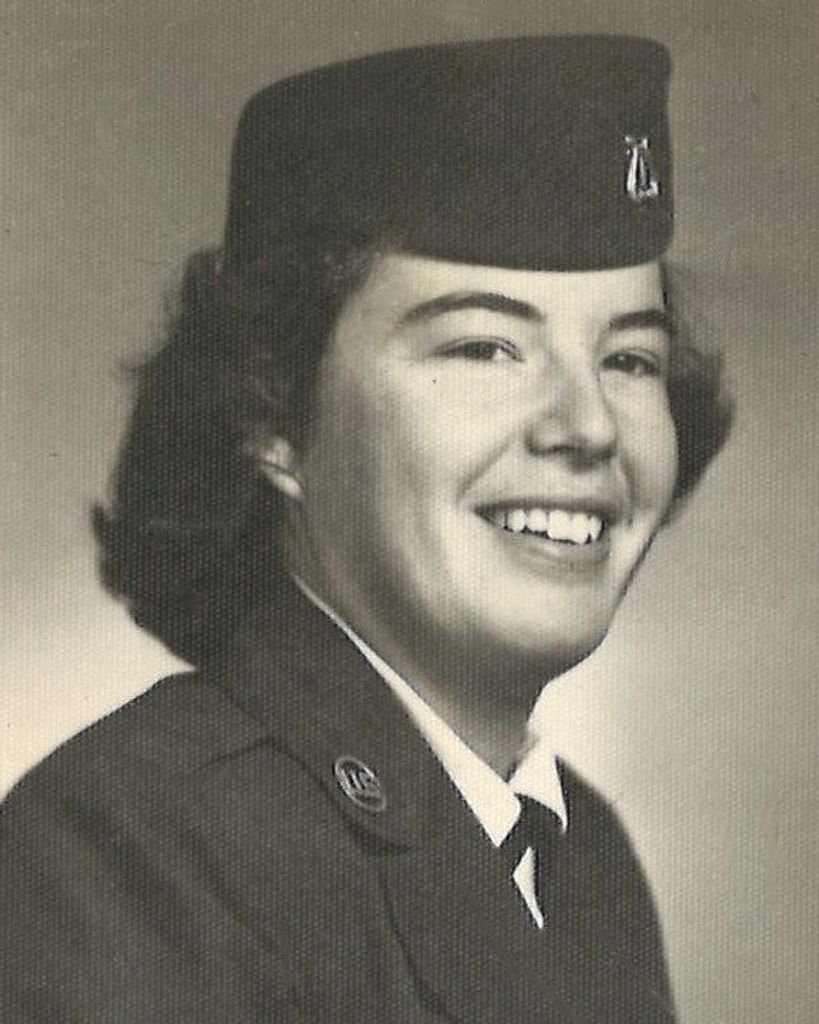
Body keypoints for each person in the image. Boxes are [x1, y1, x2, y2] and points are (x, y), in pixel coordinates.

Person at [0, 35, 732, 1023]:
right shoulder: (132, 849)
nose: (589, 426)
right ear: (274, 417)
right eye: (485, 346)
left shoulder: (583, 858)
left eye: (631, 360)